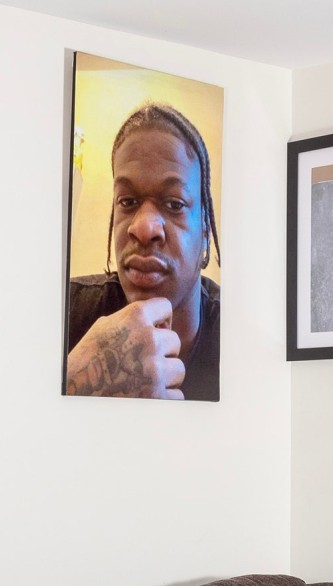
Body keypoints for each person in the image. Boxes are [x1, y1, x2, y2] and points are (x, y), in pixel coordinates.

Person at [65, 103, 221, 402]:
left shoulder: (240, 338)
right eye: (127, 201)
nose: (144, 228)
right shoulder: (64, 310)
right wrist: (79, 378)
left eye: (174, 204)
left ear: (204, 227)